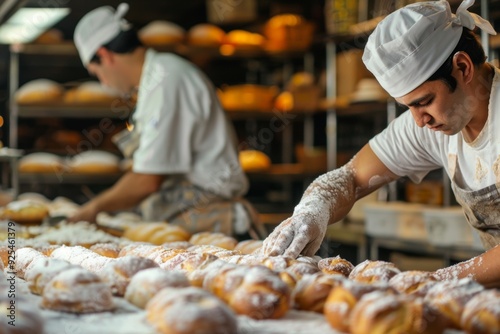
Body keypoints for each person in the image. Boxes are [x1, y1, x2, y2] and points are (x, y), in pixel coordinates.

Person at [262, 0, 500, 288]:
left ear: (462, 68)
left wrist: (435, 282)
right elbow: (351, 177)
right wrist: (313, 210)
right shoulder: (435, 122)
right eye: (408, 107)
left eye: (424, 102)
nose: (419, 121)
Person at [67, 3, 260, 239]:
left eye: (95, 73)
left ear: (105, 56)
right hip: (191, 221)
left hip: (214, 226)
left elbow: (148, 180)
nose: (104, 83)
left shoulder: (166, 80)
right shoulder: (155, 80)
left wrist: (94, 207)